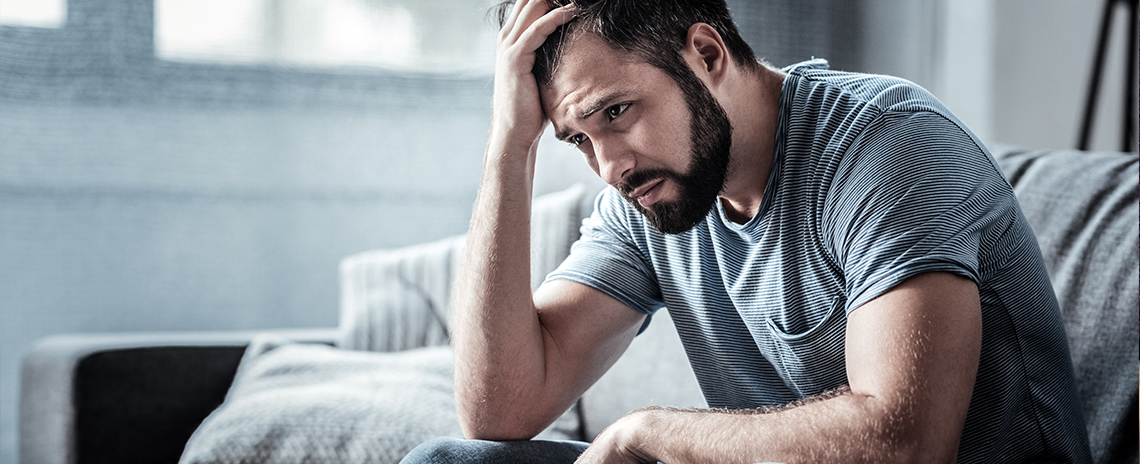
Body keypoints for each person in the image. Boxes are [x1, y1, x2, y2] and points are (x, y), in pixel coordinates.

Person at [402, 0, 1092, 462]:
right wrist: (507, 145)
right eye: (577, 139)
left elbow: (904, 442)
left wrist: (647, 433)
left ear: (705, 53)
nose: (608, 165)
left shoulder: (888, 144)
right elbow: (500, 409)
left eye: (616, 111)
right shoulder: (652, 195)